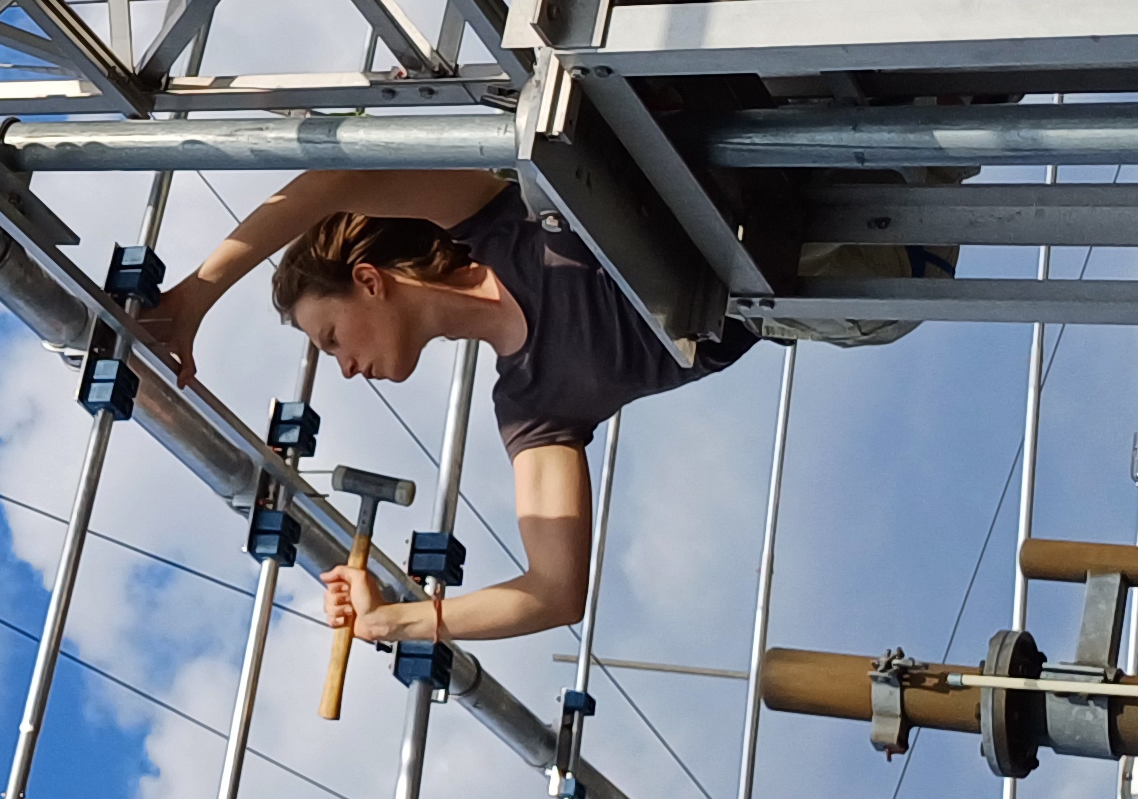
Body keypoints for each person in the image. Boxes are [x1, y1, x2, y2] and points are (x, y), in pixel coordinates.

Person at [134, 168, 757, 655]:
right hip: (819, 280)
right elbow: (555, 592)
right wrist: (393, 620)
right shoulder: (530, 408)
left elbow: (334, 180)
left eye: (331, 339)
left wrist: (191, 301)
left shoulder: (488, 219)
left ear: (370, 281)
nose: (345, 368)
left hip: (762, 152)